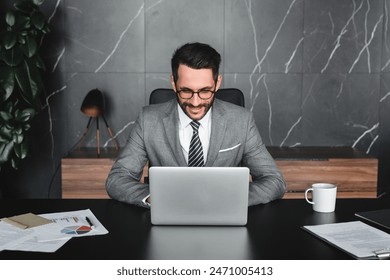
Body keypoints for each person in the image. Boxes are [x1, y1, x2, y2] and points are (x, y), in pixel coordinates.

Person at [106, 42, 286, 208]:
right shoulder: (148, 120)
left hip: (224, 220)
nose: (195, 102)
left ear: (218, 83)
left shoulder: (242, 120)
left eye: (205, 91)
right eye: (186, 91)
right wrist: (155, 197)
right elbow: (117, 179)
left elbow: (274, 181)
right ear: (173, 83)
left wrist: (232, 198)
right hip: (169, 219)